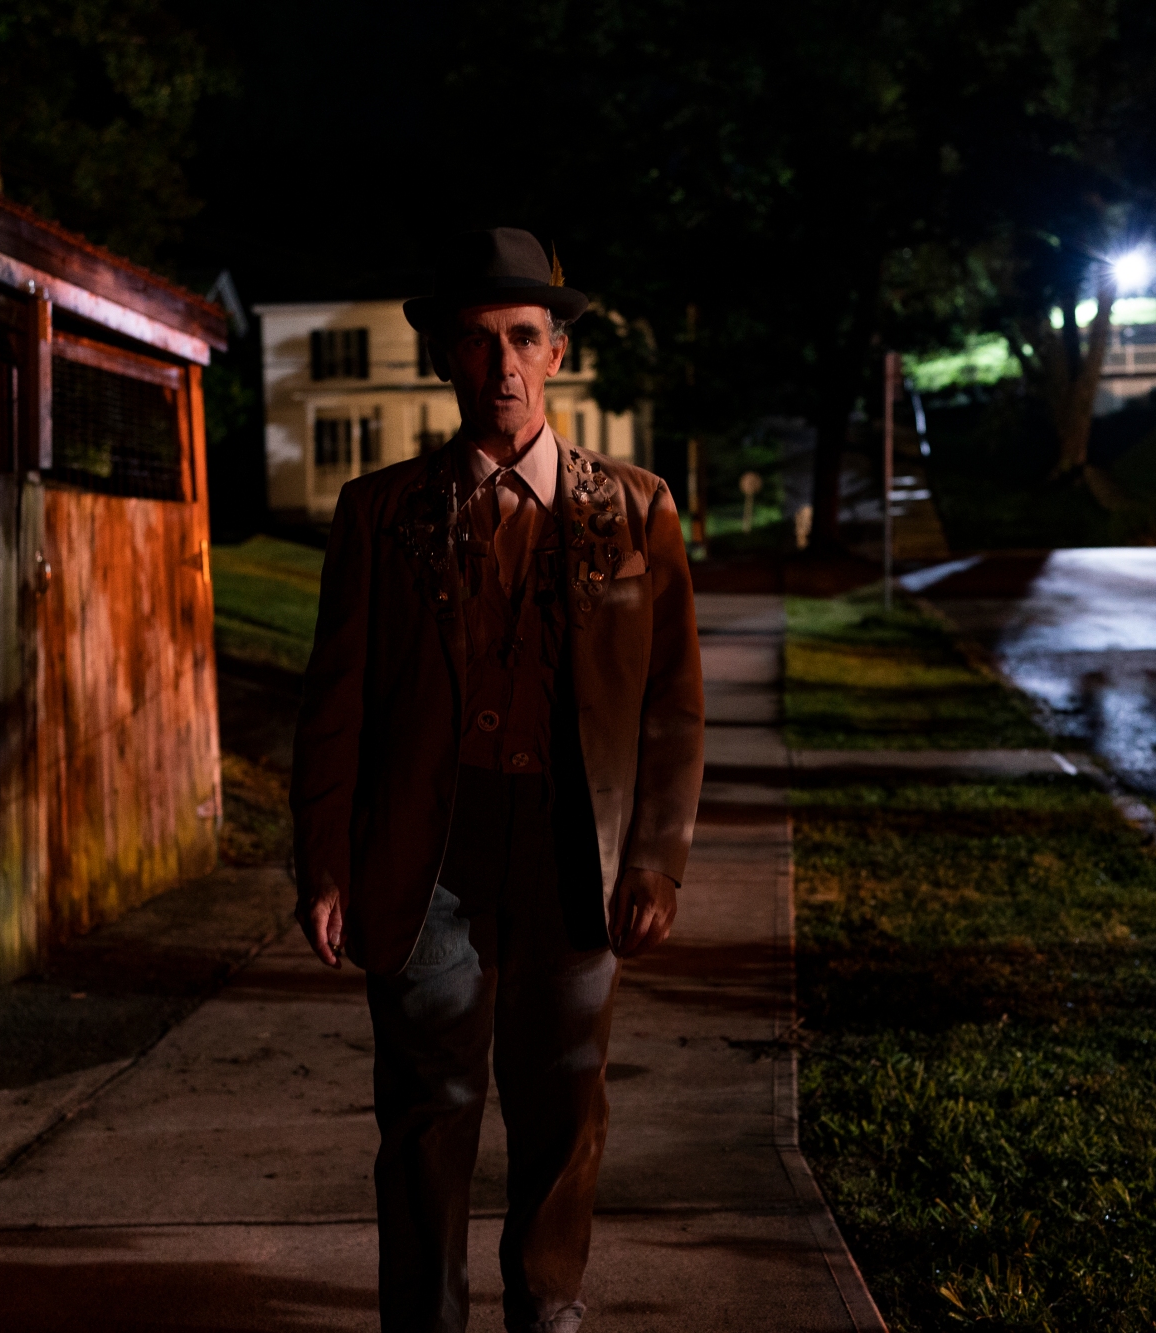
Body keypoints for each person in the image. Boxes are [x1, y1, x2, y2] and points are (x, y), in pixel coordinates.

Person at [291, 227, 705, 1333]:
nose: (502, 366)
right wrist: (324, 862)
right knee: (428, 1108)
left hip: (576, 848)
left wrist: (656, 859)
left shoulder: (635, 508)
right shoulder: (378, 514)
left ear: (558, 353)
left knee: (562, 1100)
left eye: (523, 338)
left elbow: (671, 704)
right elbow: (334, 703)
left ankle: (546, 1306)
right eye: (476, 343)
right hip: (430, 847)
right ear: (444, 359)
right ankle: (423, 1319)